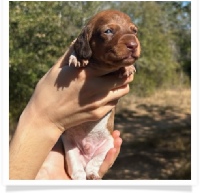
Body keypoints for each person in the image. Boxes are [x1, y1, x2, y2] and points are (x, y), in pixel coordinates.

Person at [9, 44, 134, 180]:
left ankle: (92, 170)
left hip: (100, 141)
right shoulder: (83, 52)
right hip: (73, 140)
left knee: (109, 144)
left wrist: (125, 65)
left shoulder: (112, 60)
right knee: (75, 160)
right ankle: (79, 175)